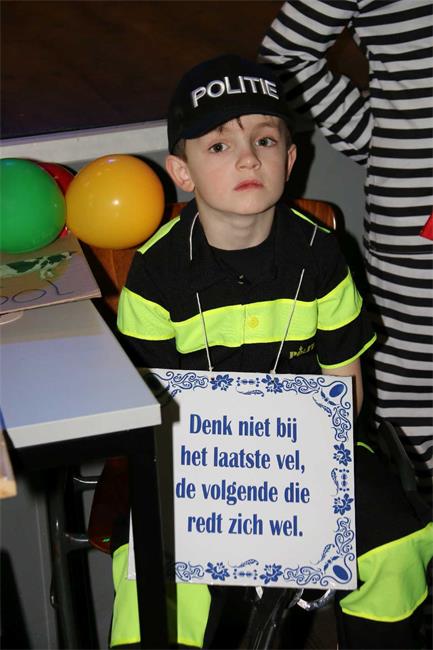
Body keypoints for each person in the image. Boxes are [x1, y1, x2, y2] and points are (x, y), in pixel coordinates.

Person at [91, 55, 433, 649]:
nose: (248, 158)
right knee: (155, 576)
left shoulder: (321, 255)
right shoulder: (156, 273)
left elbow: (346, 382)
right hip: (197, 462)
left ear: (290, 161)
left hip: (312, 451)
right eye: (219, 146)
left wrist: (309, 469)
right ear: (183, 171)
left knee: (398, 545)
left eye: (265, 140)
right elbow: (148, 407)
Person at [258, 0, 433, 503]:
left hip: (415, 209)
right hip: (420, 221)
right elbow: (286, 57)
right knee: (413, 414)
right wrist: (387, 144)